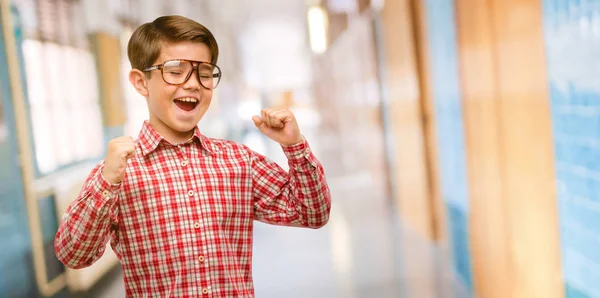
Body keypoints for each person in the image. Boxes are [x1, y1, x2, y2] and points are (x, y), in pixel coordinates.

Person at [54, 15, 331, 297]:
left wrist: (295, 147)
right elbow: (74, 255)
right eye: (175, 71)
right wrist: (107, 182)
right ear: (140, 82)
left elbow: (311, 213)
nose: (194, 84)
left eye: (205, 73)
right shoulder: (118, 173)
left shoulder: (237, 161)